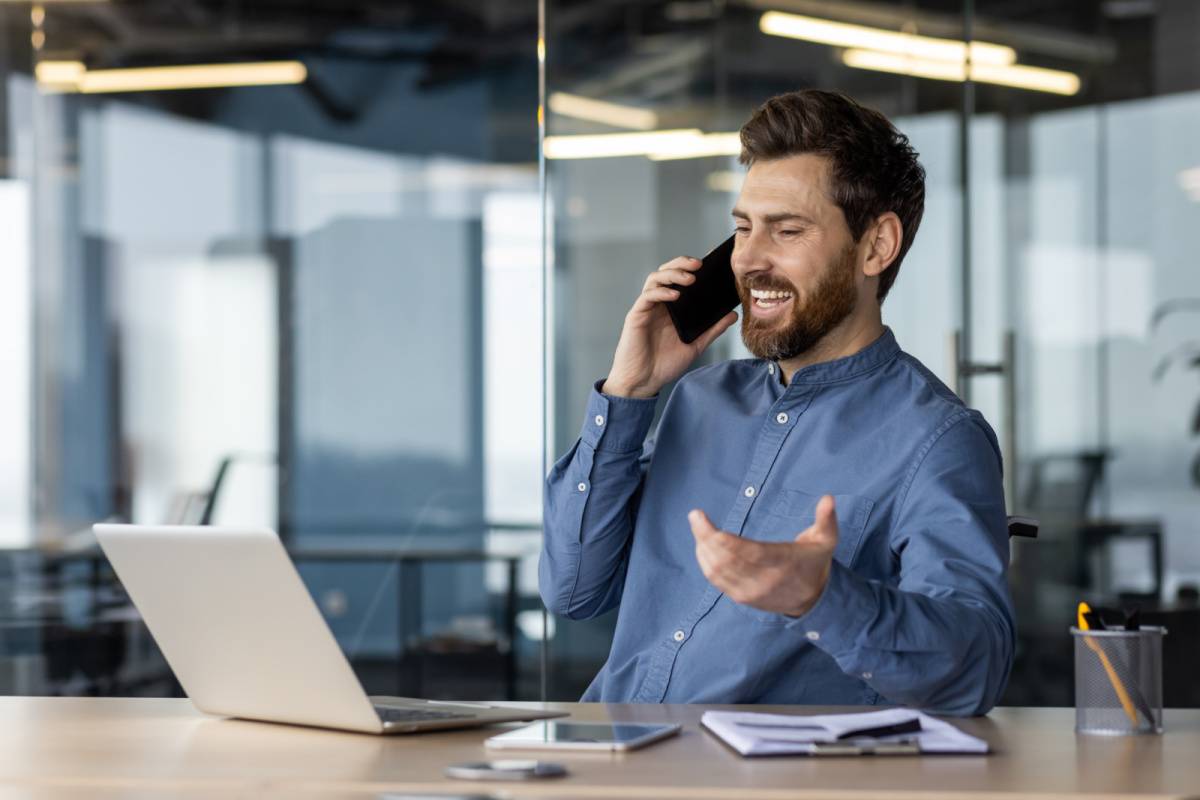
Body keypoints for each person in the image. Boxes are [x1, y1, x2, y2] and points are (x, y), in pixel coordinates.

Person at [539, 89, 1014, 716]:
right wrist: (628, 396)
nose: (750, 260)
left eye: (787, 230)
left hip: (757, 780)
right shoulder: (699, 400)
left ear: (876, 247)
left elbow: (974, 669)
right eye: (742, 228)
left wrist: (820, 596)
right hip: (611, 757)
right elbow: (573, 590)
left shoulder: (936, 438)